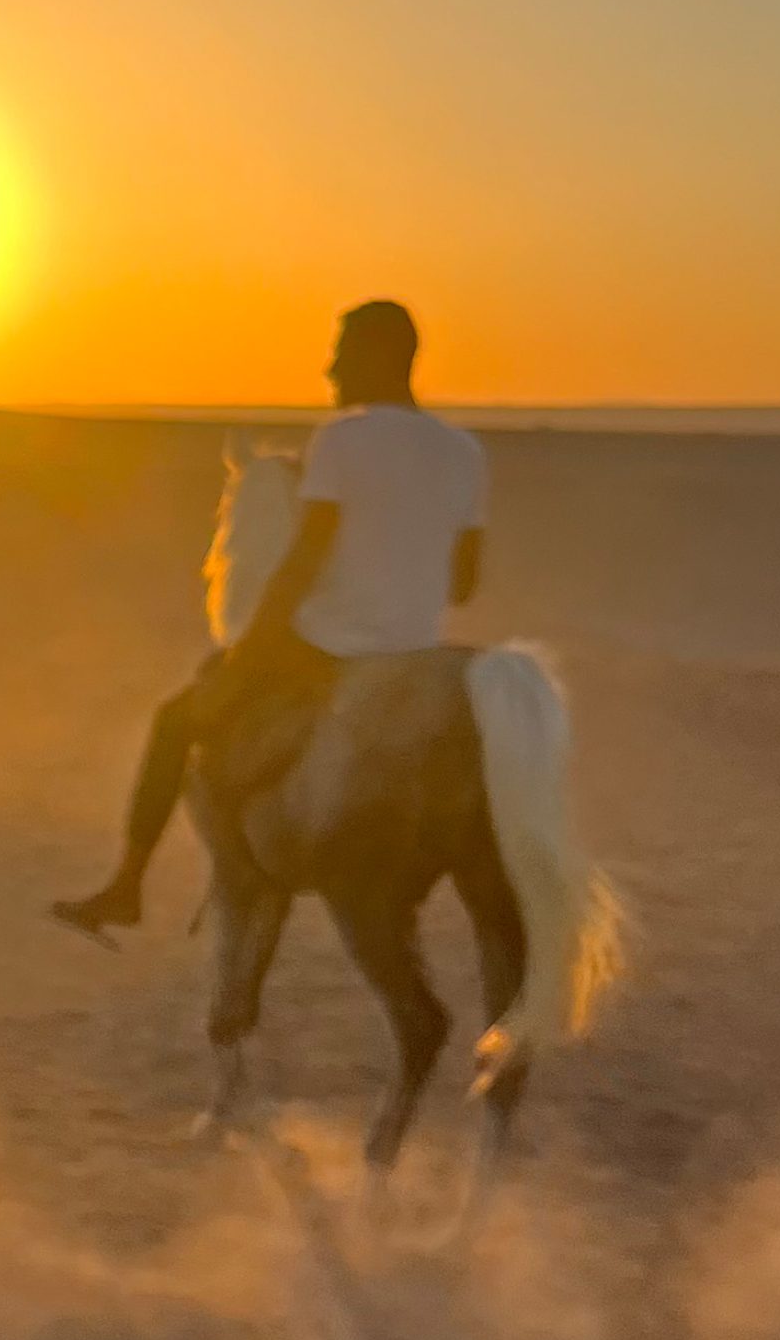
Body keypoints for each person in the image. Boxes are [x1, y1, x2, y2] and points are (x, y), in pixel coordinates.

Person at [51, 299, 484, 938]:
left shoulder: (340, 439)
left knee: (176, 720)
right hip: (418, 647)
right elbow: (463, 585)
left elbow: (303, 561)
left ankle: (126, 886)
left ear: (381, 356)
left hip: (334, 647)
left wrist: (253, 646)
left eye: (342, 353)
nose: (330, 369)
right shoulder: (465, 451)